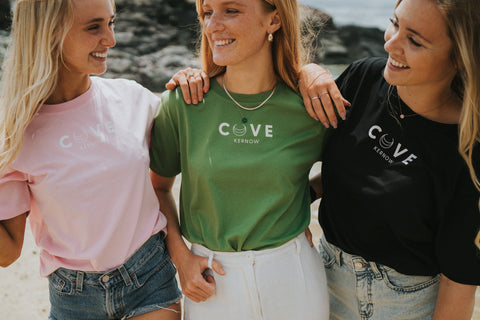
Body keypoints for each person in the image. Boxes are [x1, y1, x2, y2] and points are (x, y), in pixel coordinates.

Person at [171, 0, 480, 318]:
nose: (391, 42)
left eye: (414, 40)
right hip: (322, 275)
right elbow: (332, 165)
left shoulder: (470, 153)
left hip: (404, 302)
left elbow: (460, 281)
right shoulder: (364, 78)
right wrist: (309, 71)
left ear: (459, 57)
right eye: (394, 23)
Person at [0, 0, 182, 319]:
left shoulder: (135, 100)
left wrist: (193, 78)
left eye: (111, 23)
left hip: (150, 279)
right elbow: (8, 251)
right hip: (73, 299)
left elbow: (200, 130)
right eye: (94, 27)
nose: (110, 39)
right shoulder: (16, 135)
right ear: (49, 34)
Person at [149, 0, 330, 319]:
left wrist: (303, 198)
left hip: (294, 274)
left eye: (231, 10)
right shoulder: (183, 104)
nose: (212, 25)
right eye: (207, 13)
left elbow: (352, 172)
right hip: (211, 279)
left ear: (274, 20)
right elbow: (158, 189)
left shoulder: (310, 107)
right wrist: (181, 258)